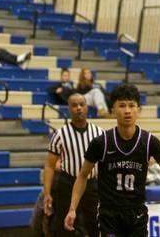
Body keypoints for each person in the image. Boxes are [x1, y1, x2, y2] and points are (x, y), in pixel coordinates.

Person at [64, 83, 160, 235]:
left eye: (132, 105)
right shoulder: (101, 142)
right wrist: (72, 209)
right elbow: (82, 176)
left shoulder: (150, 141)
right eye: (122, 106)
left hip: (137, 213)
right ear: (113, 110)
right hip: (109, 214)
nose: (127, 111)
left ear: (138, 110)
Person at [43, 93, 103, 237]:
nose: (79, 108)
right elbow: (50, 166)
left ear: (87, 107)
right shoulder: (60, 134)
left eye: (82, 104)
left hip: (92, 185)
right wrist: (47, 193)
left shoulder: (99, 133)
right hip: (67, 184)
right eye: (74, 105)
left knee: (96, 226)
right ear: (69, 109)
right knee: (65, 227)